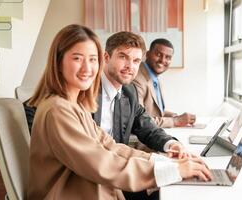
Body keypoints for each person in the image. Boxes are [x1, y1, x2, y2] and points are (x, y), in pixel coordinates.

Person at [27, 24, 212, 200]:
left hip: (95, 183)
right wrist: (174, 170)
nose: (87, 68)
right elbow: (100, 161)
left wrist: (167, 162)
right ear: (58, 61)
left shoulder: (75, 105)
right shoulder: (58, 109)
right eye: (77, 58)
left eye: (92, 59)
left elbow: (110, 146)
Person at [133, 39, 196, 128]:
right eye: (158, 55)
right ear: (147, 54)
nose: (162, 60)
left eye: (168, 57)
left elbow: (153, 111)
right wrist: (176, 121)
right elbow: (140, 121)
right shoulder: (137, 79)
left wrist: (174, 116)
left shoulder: (154, 78)